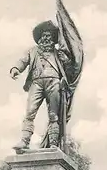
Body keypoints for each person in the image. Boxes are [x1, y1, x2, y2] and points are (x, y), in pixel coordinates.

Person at [10, 20, 72, 152]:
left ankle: (54, 143)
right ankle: (24, 141)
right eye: (44, 35)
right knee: (30, 112)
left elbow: (69, 67)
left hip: (54, 82)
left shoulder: (57, 53)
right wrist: (15, 69)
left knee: (53, 115)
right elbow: (22, 61)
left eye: (49, 36)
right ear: (39, 38)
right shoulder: (32, 52)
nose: (46, 38)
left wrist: (65, 59)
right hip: (36, 83)